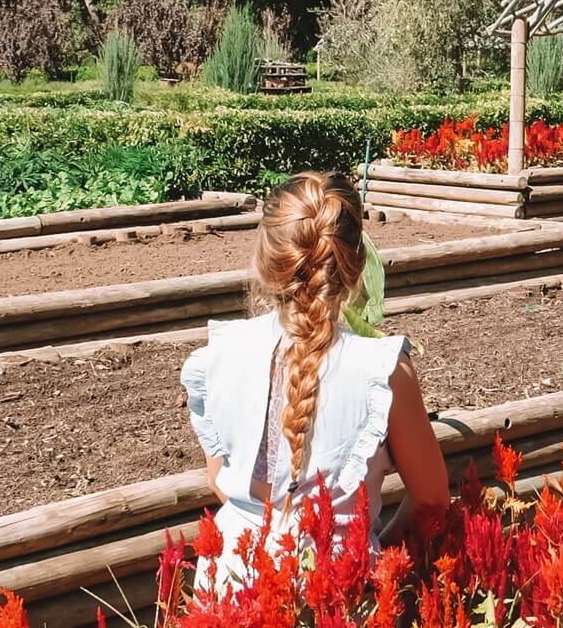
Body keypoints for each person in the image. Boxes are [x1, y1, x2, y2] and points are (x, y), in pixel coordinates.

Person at [179, 169, 450, 590]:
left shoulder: (216, 355)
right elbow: (432, 500)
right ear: (358, 262)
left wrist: (272, 538)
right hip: (338, 593)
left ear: (265, 262)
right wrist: (377, 545)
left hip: (232, 585)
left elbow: (220, 481)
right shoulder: (383, 369)